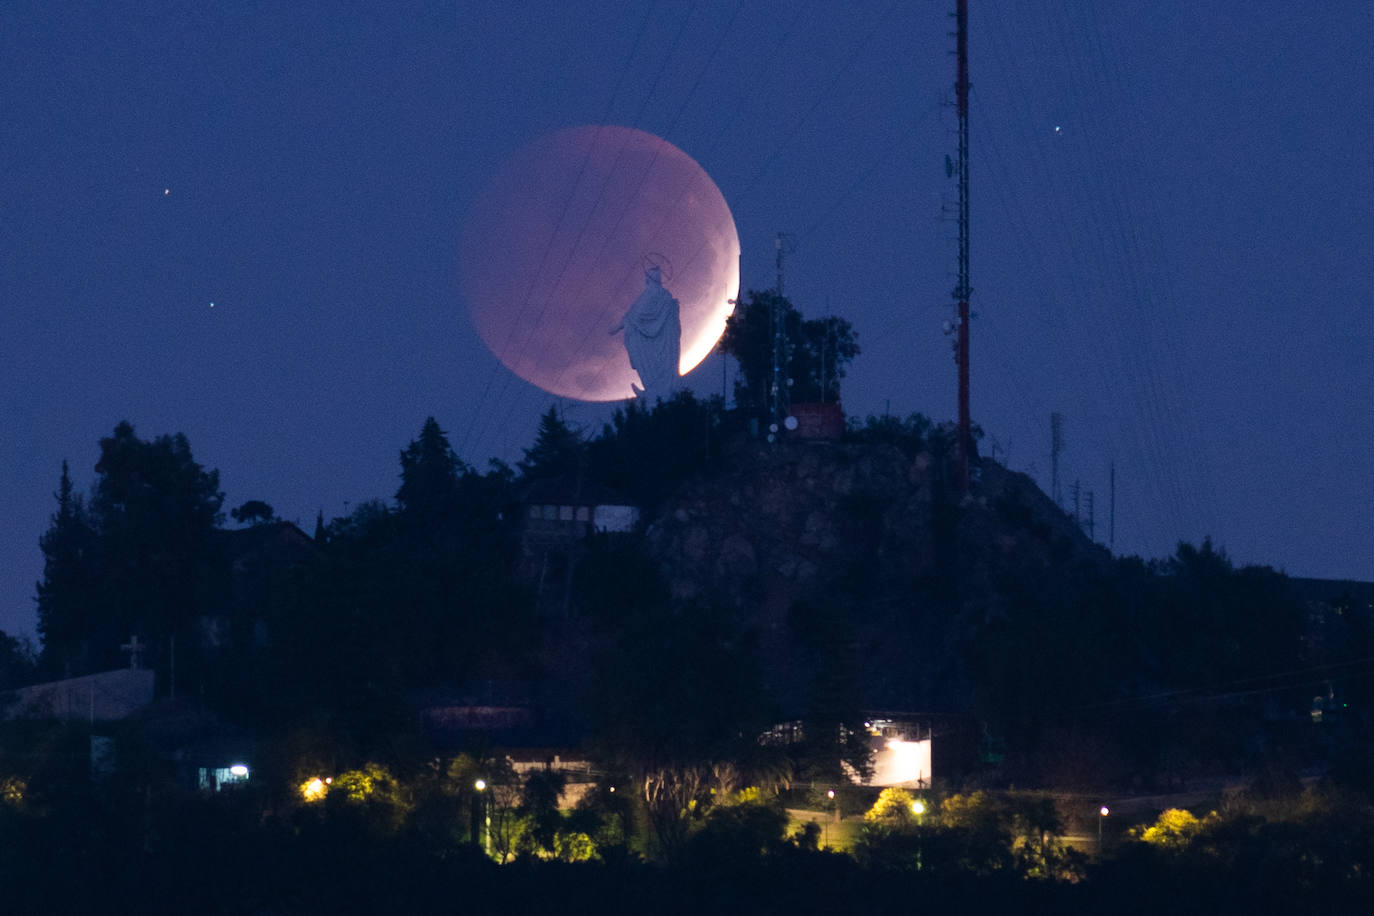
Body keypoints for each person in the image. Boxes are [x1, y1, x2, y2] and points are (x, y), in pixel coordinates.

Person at [611, 264, 681, 399]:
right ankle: (656, 391)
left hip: (660, 344)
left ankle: (656, 391)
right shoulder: (664, 296)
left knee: (651, 364)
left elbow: (634, 316)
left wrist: (621, 325)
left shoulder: (651, 295)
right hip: (662, 346)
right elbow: (637, 314)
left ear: (649, 279)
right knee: (657, 365)